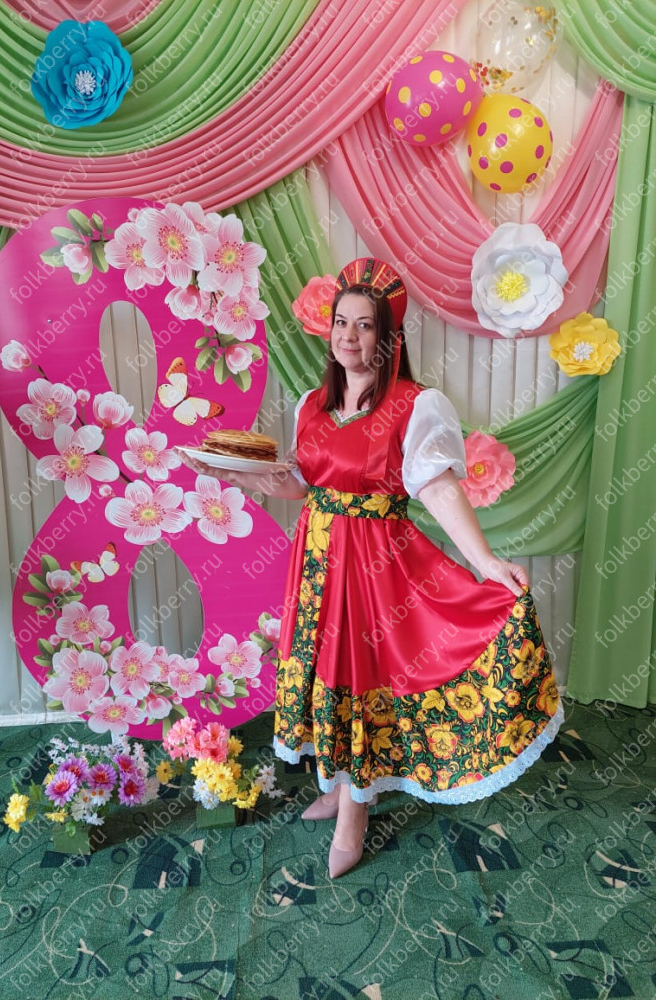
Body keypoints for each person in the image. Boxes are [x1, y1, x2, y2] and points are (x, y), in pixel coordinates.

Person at [181, 257, 563, 878]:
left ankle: (355, 812)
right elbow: (303, 486)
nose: (349, 336)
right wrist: (234, 475)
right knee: (325, 671)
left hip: (377, 565)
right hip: (316, 561)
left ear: (389, 337)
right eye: (341, 322)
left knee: (361, 677)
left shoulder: (416, 405)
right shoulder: (312, 405)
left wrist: (487, 561)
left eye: (365, 325)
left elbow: (438, 490)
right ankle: (338, 786)